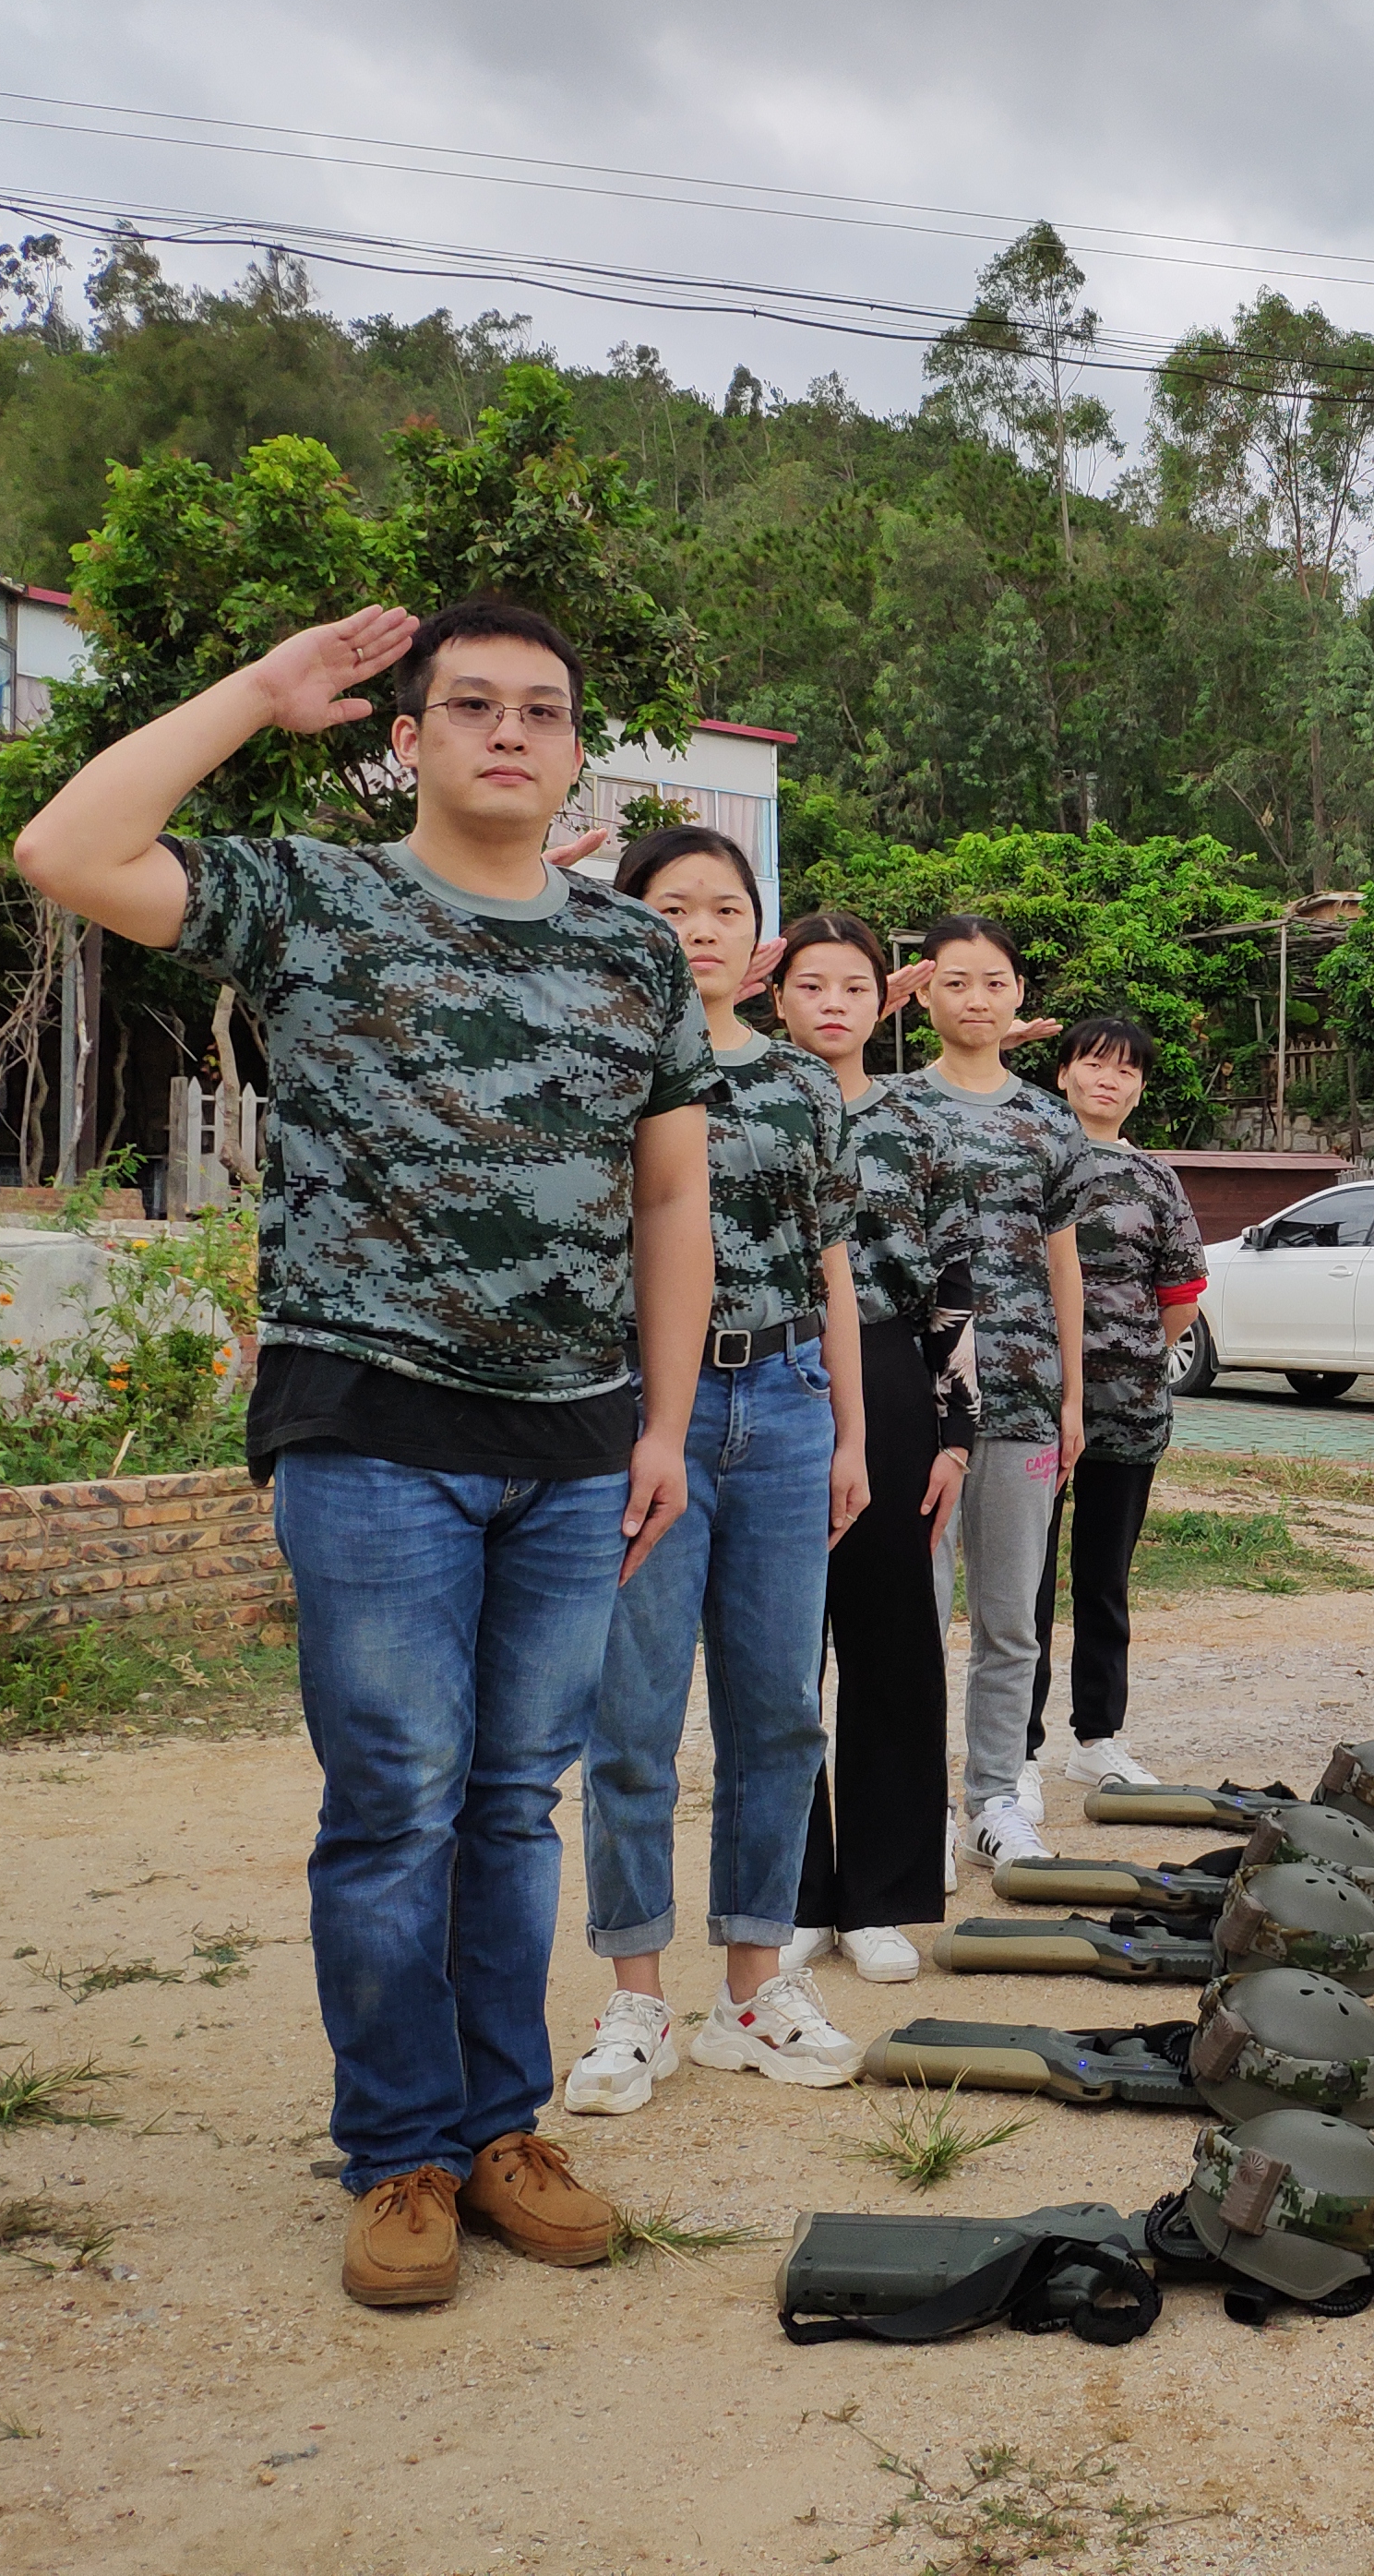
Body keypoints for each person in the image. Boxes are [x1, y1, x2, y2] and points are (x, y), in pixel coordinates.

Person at [10, 597, 711, 2310]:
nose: (506, 732)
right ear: (406, 735)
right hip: (372, 1424)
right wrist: (258, 693)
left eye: (540, 710)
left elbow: (672, 1191)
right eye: (467, 704)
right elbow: (66, 845)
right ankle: (397, 2146)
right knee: (394, 1798)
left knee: (511, 1799)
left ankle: (499, 2127)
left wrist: (668, 1425)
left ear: (570, 751)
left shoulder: (633, 954)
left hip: (568, 1441)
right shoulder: (317, 900)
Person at [559, 826, 874, 2113]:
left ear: (763, 940)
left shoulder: (804, 1088)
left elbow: (834, 1267)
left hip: (790, 1402)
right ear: (627, 921)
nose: (698, 927)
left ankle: (752, 1993)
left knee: (780, 1711)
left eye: (723, 908)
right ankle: (636, 2002)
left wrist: (853, 1434)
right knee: (632, 1718)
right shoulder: (595, 1067)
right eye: (670, 904)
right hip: (649, 1414)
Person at [770, 910, 978, 1982]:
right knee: (783, 1648)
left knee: (894, 1641)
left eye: (853, 985)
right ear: (781, 998)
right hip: (772, 1376)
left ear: (882, 1002)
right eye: (812, 986)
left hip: (897, 1378)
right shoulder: (742, 1107)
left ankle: (882, 1898)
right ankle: (796, 1892)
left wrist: (955, 1432)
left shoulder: (917, 1124)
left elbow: (955, 1284)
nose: (833, 1004)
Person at [878, 914, 1091, 1875]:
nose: (976, 999)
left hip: (1023, 1398)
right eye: (955, 982)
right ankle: (912, 1804)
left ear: (1016, 995)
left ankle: (996, 1800)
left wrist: (1073, 1396)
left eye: (994, 982)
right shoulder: (884, 1107)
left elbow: (1065, 1264)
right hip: (914, 1404)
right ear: (922, 994)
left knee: (1012, 1619)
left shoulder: (1050, 1119)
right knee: (911, 1620)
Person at [1024, 1017, 1209, 1791]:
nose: (1109, 1080)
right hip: (1028, 1407)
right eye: (1093, 1064)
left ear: (1139, 1088)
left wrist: (1124, 1353)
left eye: (1126, 1071)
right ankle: (1017, 1750)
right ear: (1063, 1072)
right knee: (1022, 1582)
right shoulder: (1027, 1153)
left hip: (1127, 1412)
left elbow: (1181, 1297)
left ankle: (1097, 1737)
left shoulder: (1157, 1180)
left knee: (1103, 1580)